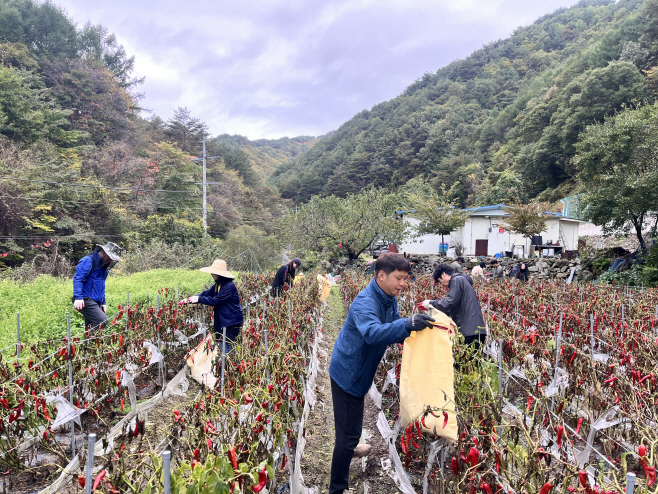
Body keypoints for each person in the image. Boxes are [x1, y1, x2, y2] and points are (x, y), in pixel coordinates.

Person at [328, 253, 435, 494]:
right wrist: (407, 324)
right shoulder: (365, 302)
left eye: (405, 278)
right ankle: (337, 488)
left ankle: (351, 445)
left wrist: (417, 334)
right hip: (348, 372)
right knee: (345, 436)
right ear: (381, 275)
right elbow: (373, 333)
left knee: (351, 426)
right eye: (399, 278)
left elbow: (394, 327)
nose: (402, 284)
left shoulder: (388, 298)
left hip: (360, 369)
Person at [180, 259, 243, 352]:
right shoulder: (219, 284)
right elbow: (207, 293)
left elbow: (216, 301)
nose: (212, 274)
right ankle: (228, 363)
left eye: (214, 273)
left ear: (220, 274)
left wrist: (199, 299)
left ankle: (230, 364)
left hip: (231, 322)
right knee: (225, 344)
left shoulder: (229, 286)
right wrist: (192, 299)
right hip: (224, 320)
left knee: (228, 346)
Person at [421, 263, 486, 350]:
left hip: (470, 331)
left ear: (444, 275)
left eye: (440, 281)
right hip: (474, 329)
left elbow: (450, 302)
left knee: (464, 361)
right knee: (473, 361)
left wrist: (431, 303)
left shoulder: (457, 281)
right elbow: (452, 307)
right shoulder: (461, 281)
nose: (442, 285)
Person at [72, 242, 123, 332]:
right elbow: (78, 278)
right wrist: (78, 297)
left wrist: (103, 302)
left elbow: (101, 286)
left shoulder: (104, 269)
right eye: (110, 258)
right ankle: (88, 343)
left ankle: (88, 345)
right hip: (85, 299)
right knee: (102, 320)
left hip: (96, 301)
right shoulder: (88, 260)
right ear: (104, 253)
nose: (110, 261)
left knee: (91, 326)